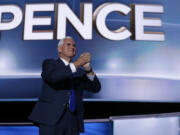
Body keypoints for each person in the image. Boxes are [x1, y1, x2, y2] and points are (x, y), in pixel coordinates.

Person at [28, 36, 101, 135]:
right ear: (59, 49)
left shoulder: (79, 72)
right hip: (51, 117)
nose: (72, 47)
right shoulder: (50, 63)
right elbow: (53, 77)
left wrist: (89, 70)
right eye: (68, 44)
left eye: (74, 45)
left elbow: (96, 88)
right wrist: (78, 63)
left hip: (73, 119)